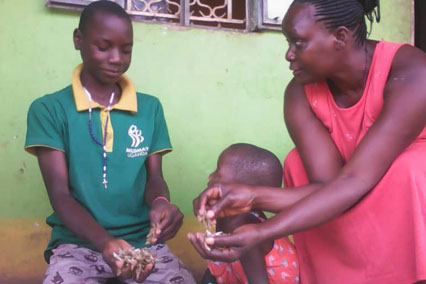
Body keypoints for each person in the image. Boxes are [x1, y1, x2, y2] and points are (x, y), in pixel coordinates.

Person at [188, 0, 426, 283]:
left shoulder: (411, 71)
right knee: (297, 162)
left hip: (396, 205)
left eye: (299, 43)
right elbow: (327, 188)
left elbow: (354, 181)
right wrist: (248, 196)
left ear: (339, 37)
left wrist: (264, 231)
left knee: (411, 165)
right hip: (344, 196)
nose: (289, 54)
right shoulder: (300, 94)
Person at [25, 1, 195, 283]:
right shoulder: (50, 109)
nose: (117, 58)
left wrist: (162, 203)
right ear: (78, 40)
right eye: (104, 47)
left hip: (143, 244)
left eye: (126, 50)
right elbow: (60, 195)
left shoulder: (149, 109)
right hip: (78, 244)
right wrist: (104, 242)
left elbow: (154, 179)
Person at [198, 143, 300, 284]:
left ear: (240, 191)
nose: (210, 176)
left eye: (218, 173)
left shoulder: (244, 227)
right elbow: (219, 266)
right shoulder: (227, 216)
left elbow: (259, 281)